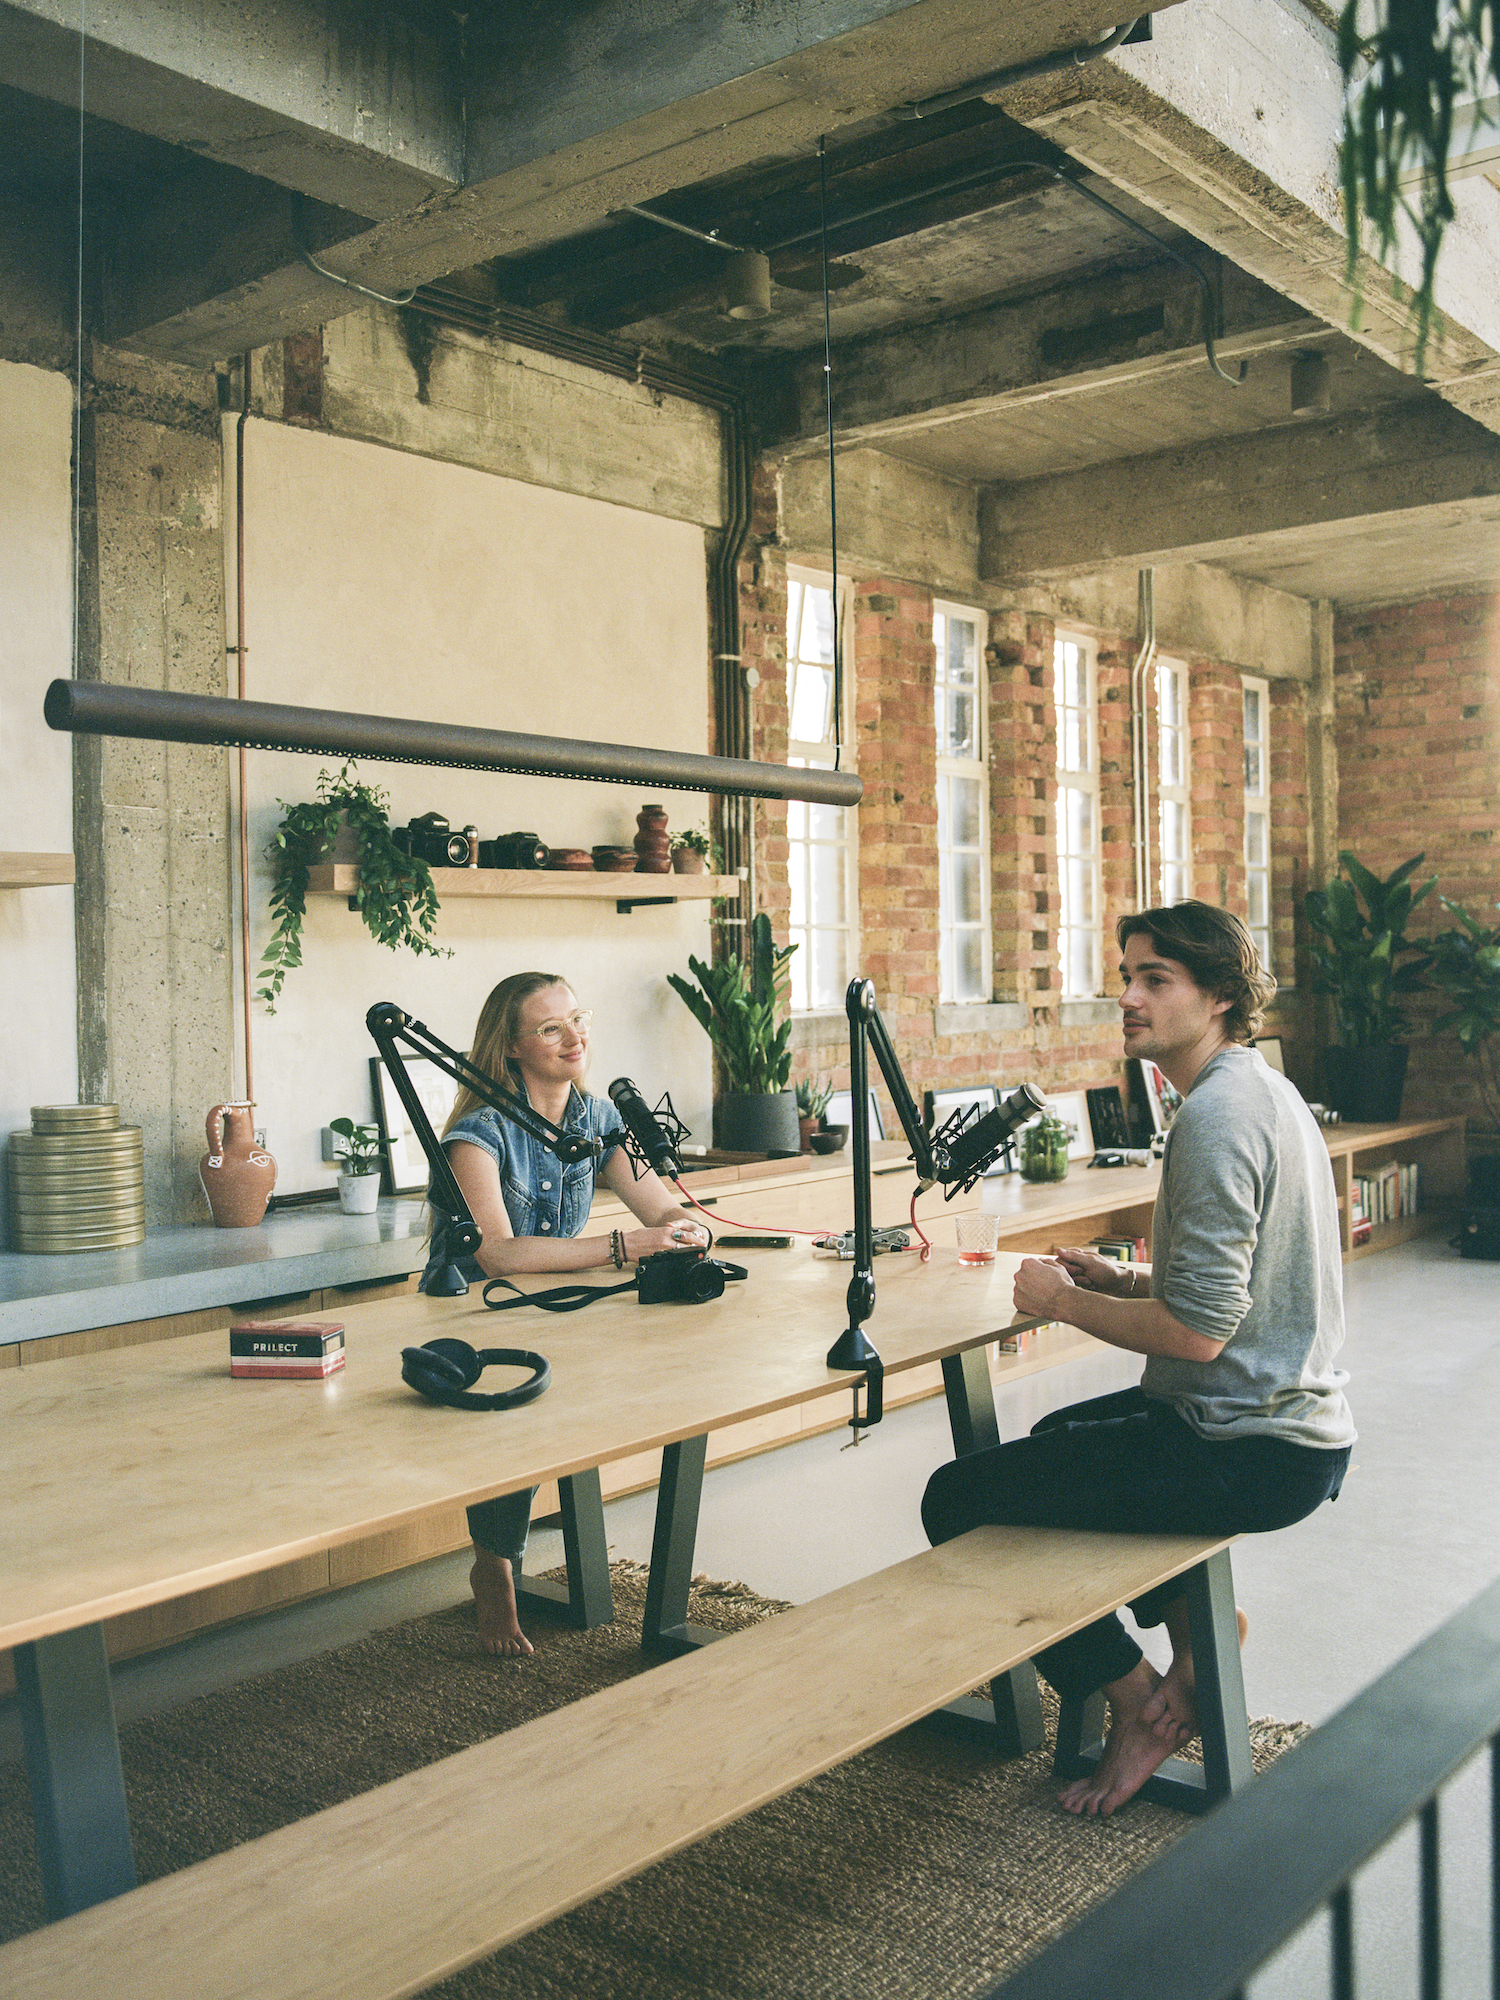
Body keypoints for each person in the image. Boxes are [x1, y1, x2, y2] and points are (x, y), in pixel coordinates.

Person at [921, 902, 1355, 1815]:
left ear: (1223, 997)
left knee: (958, 1500)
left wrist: (1064, 1304)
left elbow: (1199, 1336)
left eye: (1156, 980)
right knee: (1054, 1435)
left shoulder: (1217, 1117)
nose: (1127, 996)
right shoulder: (1258, 1088)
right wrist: (1120, 1280)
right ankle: (1200, 1633)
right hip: (1291, 1433)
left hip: (1244, 1449)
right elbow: (1236, 1284)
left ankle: (1143, 1705)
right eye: (1127, 975)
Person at [419, 971, 709, 1658]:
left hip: (560, 1303)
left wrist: (684, 1227)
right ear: (513, 1048)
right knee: (522, 1412)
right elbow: (496, 1255)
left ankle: (548, 1566)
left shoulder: (598, 1117)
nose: (576, 1037)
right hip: (474, 1316)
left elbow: (656, 1204)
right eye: (552, 1028)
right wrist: (623, 1246)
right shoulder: (477, 1134)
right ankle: (495, 1565)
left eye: (579, 1019)